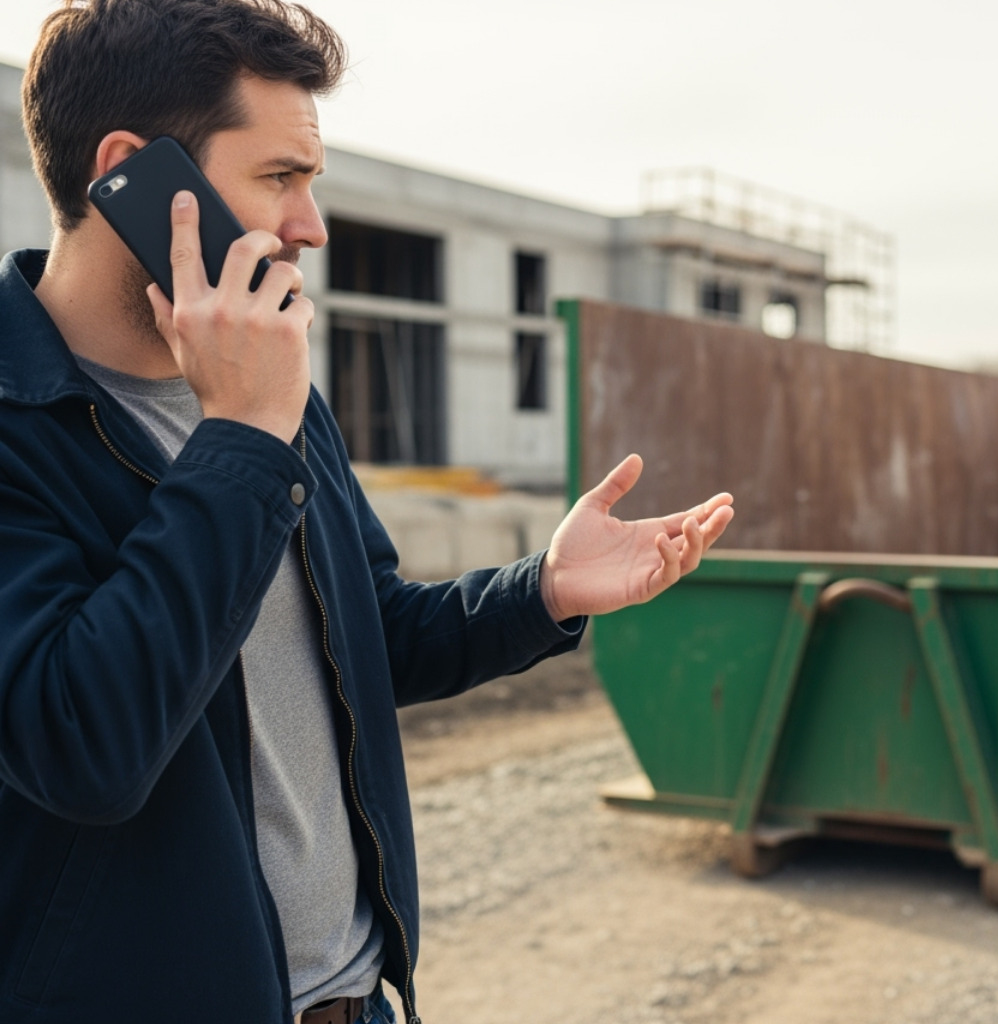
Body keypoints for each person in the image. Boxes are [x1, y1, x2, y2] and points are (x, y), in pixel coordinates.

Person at [0, 1, 734, 1022]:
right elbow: (83, 741)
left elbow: (367, 635)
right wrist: (244, 437)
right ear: (130, 176)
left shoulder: (280, 393)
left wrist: (542, 590)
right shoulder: (31, 424)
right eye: (279, 178)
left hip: (356, 1002)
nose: (312, 226)